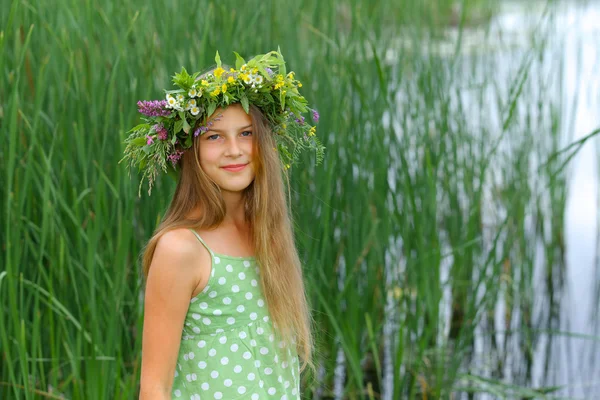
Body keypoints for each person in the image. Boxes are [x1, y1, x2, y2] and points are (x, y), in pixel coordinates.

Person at [121, 51, 324, 399]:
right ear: (191, 151)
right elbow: (154, 388)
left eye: (246, 133)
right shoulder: (182, 249)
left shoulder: (268, 236)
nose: (234, 150)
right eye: (214, 137)